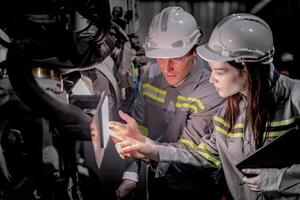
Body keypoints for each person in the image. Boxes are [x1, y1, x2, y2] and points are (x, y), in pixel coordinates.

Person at [110, 13, 300, 199]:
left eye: (219, 72)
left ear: (247, 69)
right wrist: (148, 147)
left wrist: (281, 178)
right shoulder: (228, 113)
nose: (211, 78)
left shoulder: (296, 98)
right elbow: (201, 155)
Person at [111, 6, 225, 200]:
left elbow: (188, 155)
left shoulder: (211, 91)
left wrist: (146, 148)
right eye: (161, 58)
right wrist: (131, 176)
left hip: (195, 188)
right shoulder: (151, 74)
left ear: (194, 51)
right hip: (156, 181)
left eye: (177, 58)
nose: (167, 68)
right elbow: (140, 129)